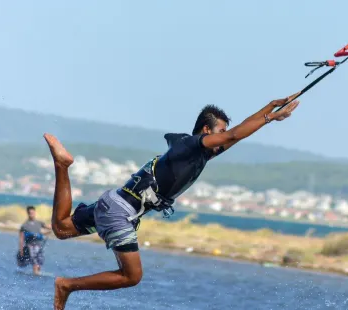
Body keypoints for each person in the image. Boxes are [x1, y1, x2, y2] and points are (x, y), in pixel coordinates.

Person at [43, 93, 300, 309]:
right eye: (220, 131)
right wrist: (270, 117)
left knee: (62, 228)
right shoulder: (190, 145)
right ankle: (67, 285)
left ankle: (61, 165)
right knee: (132, 276)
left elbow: (234, 137)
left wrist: (269, 108)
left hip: (114, 201)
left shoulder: (196, 155)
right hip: (120, 213)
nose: (225, 136)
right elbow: (233, 136)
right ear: (206, 131)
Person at [18, 205, 52, 275]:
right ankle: (35, 274)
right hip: (30, 245)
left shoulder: (39, 223)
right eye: (30, 213)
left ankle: (37, 273)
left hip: (40, 245)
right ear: (28, 213)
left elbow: (48, 227)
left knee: (40, 261)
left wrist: (54, 225)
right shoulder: (24, 225)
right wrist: (21, 250)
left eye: (33, 213)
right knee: (34, 261)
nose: (32, 214)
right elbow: (21, 238)